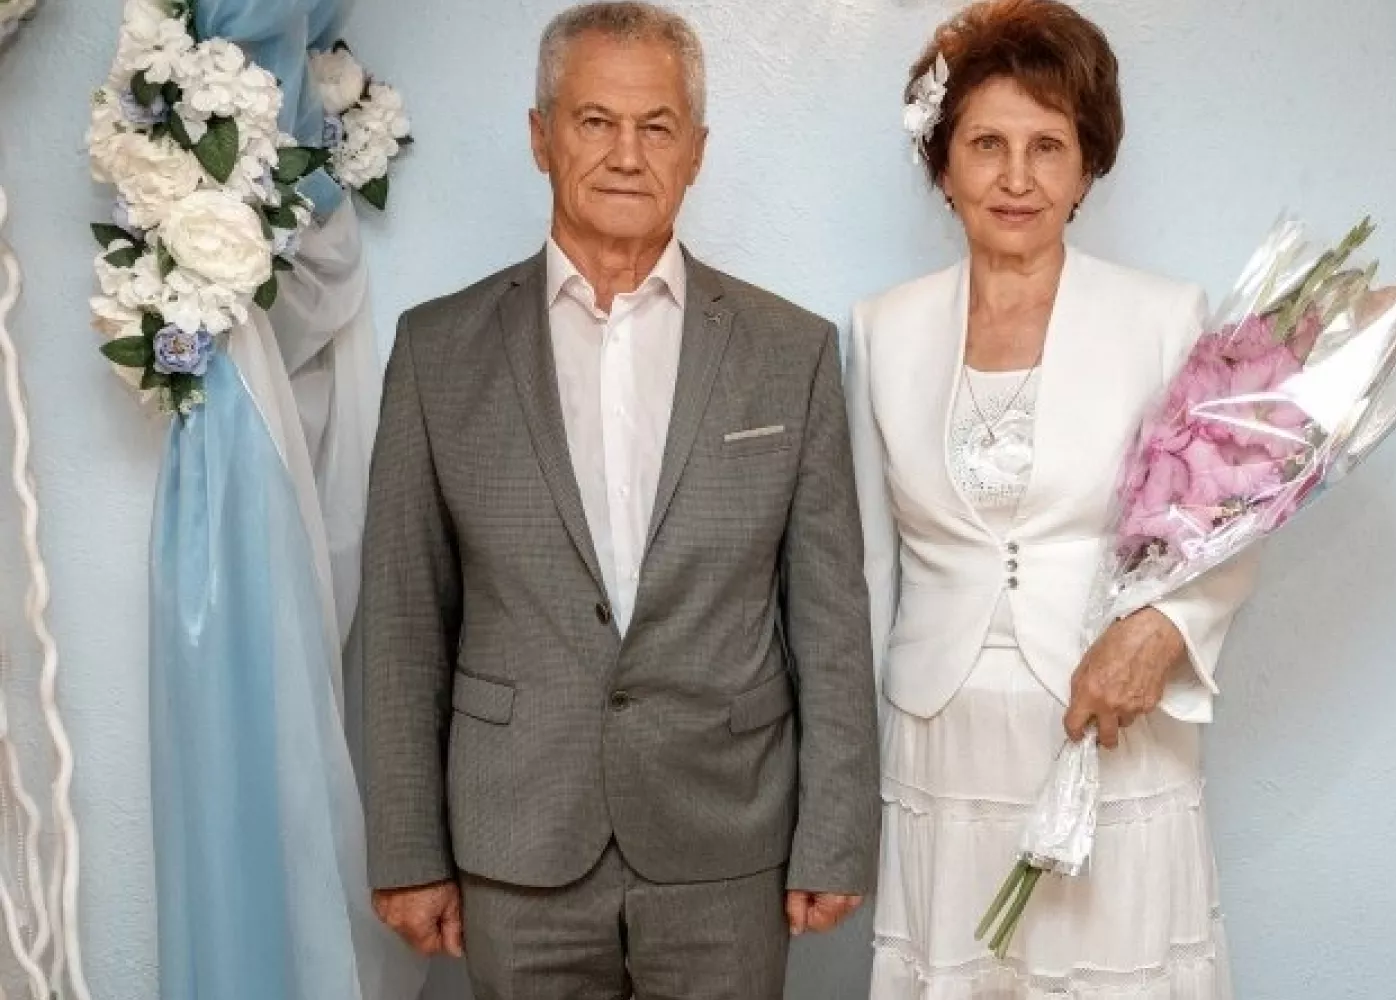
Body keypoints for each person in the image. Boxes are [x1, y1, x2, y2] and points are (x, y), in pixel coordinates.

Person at [358, 5, 880, 997]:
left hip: (726, 839)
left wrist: (837, 833)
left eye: (657, 126)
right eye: (595, 121)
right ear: (541, 136)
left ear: (697, 151)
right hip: (516, 840)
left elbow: (830, 618)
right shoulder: (437, 353)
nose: (627, 155)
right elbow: (402, 621)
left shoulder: (791, 351)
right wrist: (408, 847)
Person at [848, 1, 1261, 995]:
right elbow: (867, 560)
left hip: (1109, 724)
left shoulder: (1164, 316)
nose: (1017, 177)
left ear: (1087, 167)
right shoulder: (880, 328)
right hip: (941, 736)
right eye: (987, 145)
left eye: (1047, 146)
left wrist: (1160, 632)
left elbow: (1228, 523)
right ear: (944, 164)